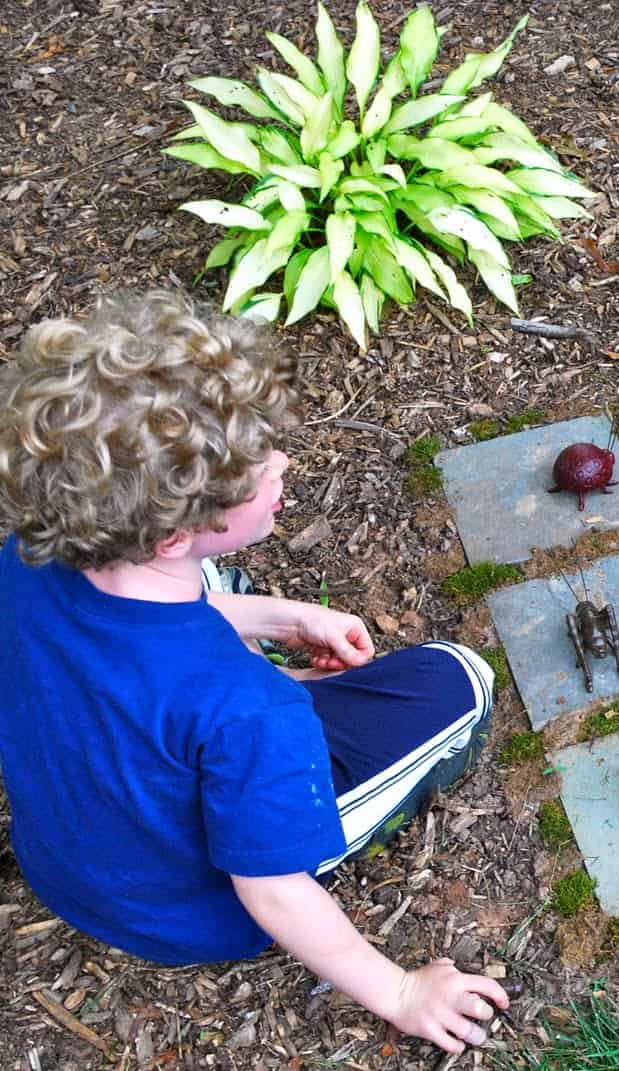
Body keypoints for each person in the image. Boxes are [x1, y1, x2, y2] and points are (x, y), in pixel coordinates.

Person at [0, 291, 508, 1053]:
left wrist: (277, 617)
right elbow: (270, 889)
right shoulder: (252, 713)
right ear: (176, 534)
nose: (284, 464)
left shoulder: (25, 561)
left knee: (217, 611)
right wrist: (401, 991)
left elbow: (139, 639)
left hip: (66, 857)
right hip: (188, 910)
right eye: (258, 465)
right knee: (459, 681)